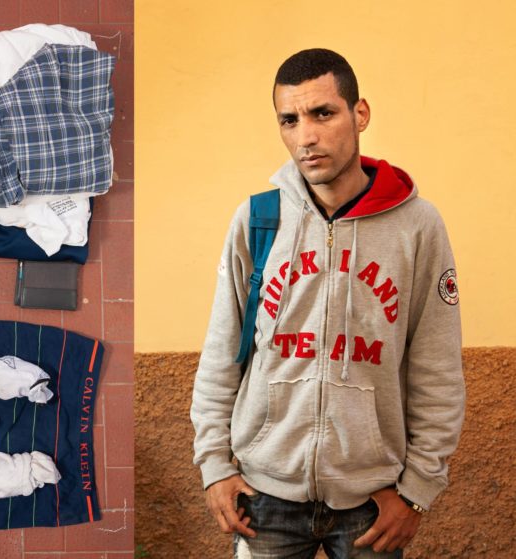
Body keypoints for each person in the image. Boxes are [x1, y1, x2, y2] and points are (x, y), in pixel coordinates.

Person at [190, 48, 465, 558]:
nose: (306, 137)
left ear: (359, 114)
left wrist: (418, 493)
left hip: (372, 503)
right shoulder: (257, 219)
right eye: (289, 120)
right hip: (263, 495)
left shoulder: (417, 226)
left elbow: (438, 368)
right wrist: (215, 467)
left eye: (323, 113)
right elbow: (221, 353)